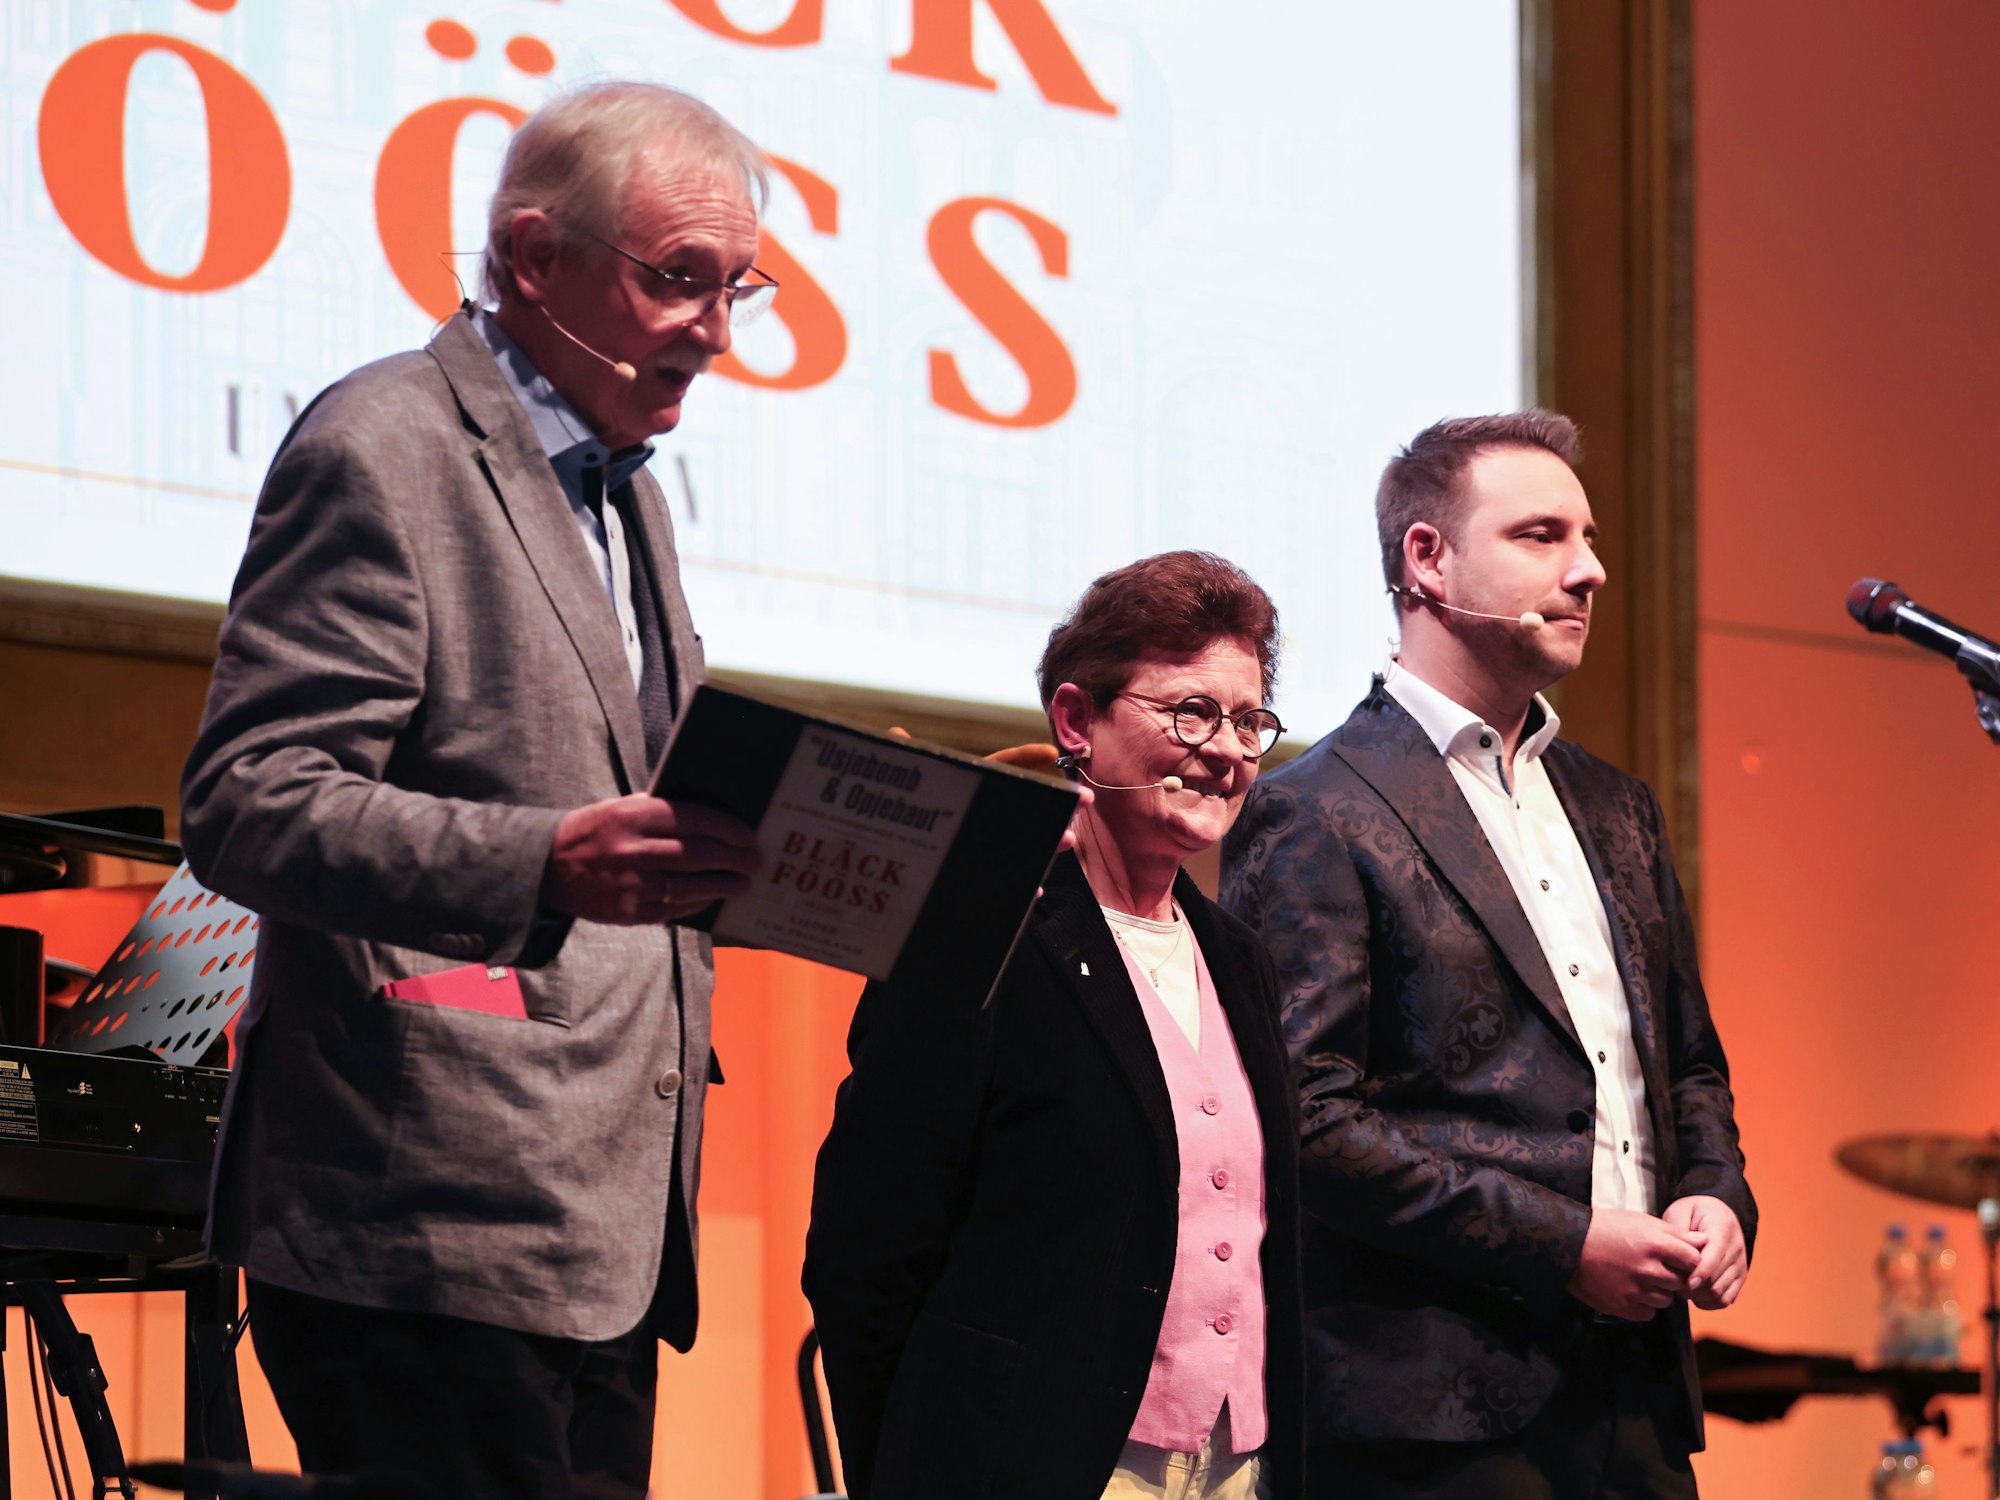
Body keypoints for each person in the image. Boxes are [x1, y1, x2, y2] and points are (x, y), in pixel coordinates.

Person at [178, 82, 777, 1498]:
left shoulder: (620, 488)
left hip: (597, 1231)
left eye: (735, 286)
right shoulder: (383, 446)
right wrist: (545, 863)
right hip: (422, 1225)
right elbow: (250, 795)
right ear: (527, 259)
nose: (716, 329)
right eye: (677, 279)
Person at [1220, 413, 1754, 1500]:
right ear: (1426, 560)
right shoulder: (1311, 811)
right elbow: (1306, 1121)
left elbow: (1685, 1065)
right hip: (1429, 1417)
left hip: (1631, 1401)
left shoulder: (1617, 809)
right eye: (1541, 536)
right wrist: (1565, 1243)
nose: (1590, 570)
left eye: (1589, 537)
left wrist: (1715, 1194)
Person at [804, 551, 1305, 1500]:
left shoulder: (1239, 958)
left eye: (1250, 721)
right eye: (1191, 711)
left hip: (1238, 1471)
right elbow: (865, 1250)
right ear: (1077, 721)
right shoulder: (979, 929)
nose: (1229, 750)